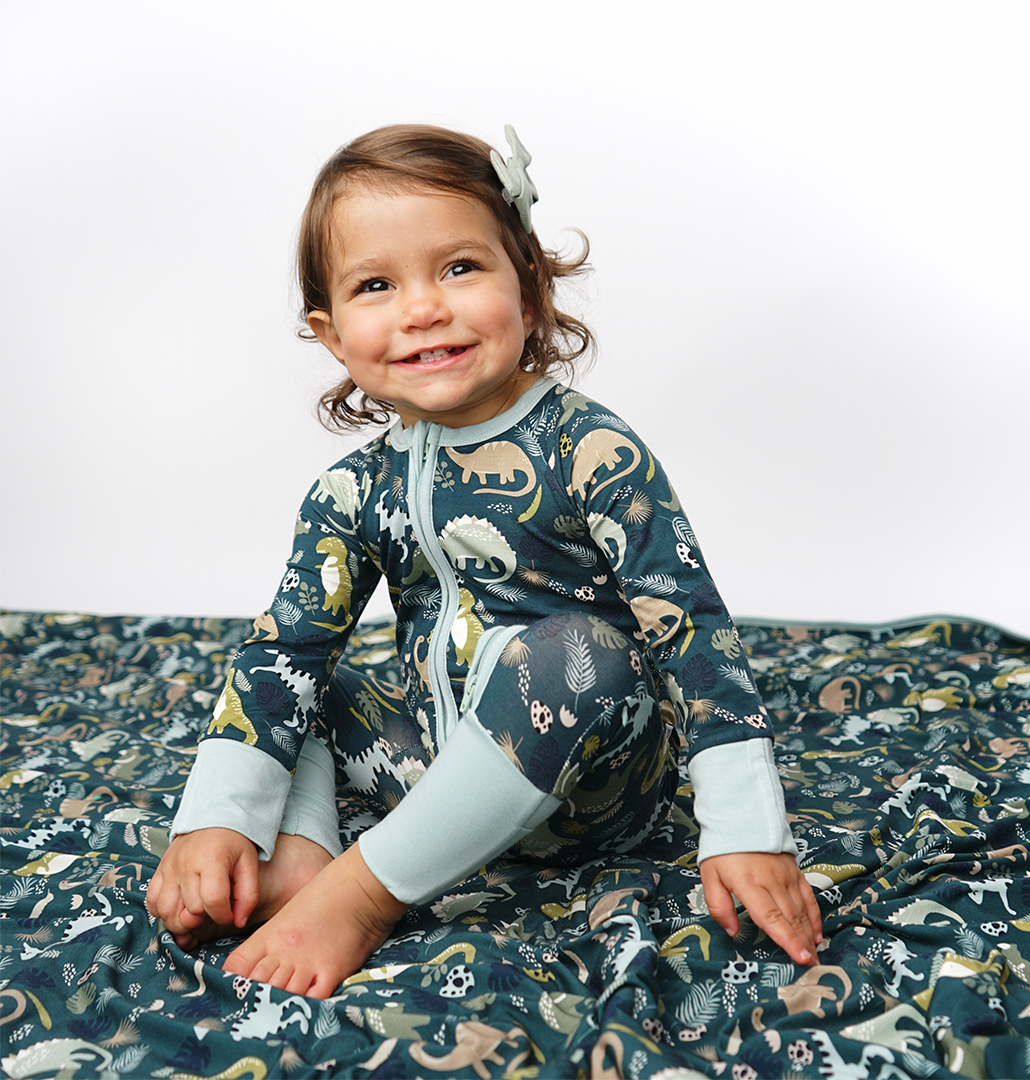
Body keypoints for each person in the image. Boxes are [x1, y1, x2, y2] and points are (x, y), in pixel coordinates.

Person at [146, 123, 822, 1000]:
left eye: (460, 268)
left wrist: (746, 830)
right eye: (376, 285)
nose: (424, 307)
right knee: (303, 677)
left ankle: (360, 894)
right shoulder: (352, 490)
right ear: (332, 332)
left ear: (529, 287)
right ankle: (304, 858)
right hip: (432, 751)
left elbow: (690, 628)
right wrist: (210, 821)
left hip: (591, 780)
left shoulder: (589, 449)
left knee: (582, 651)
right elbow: (285, 657)